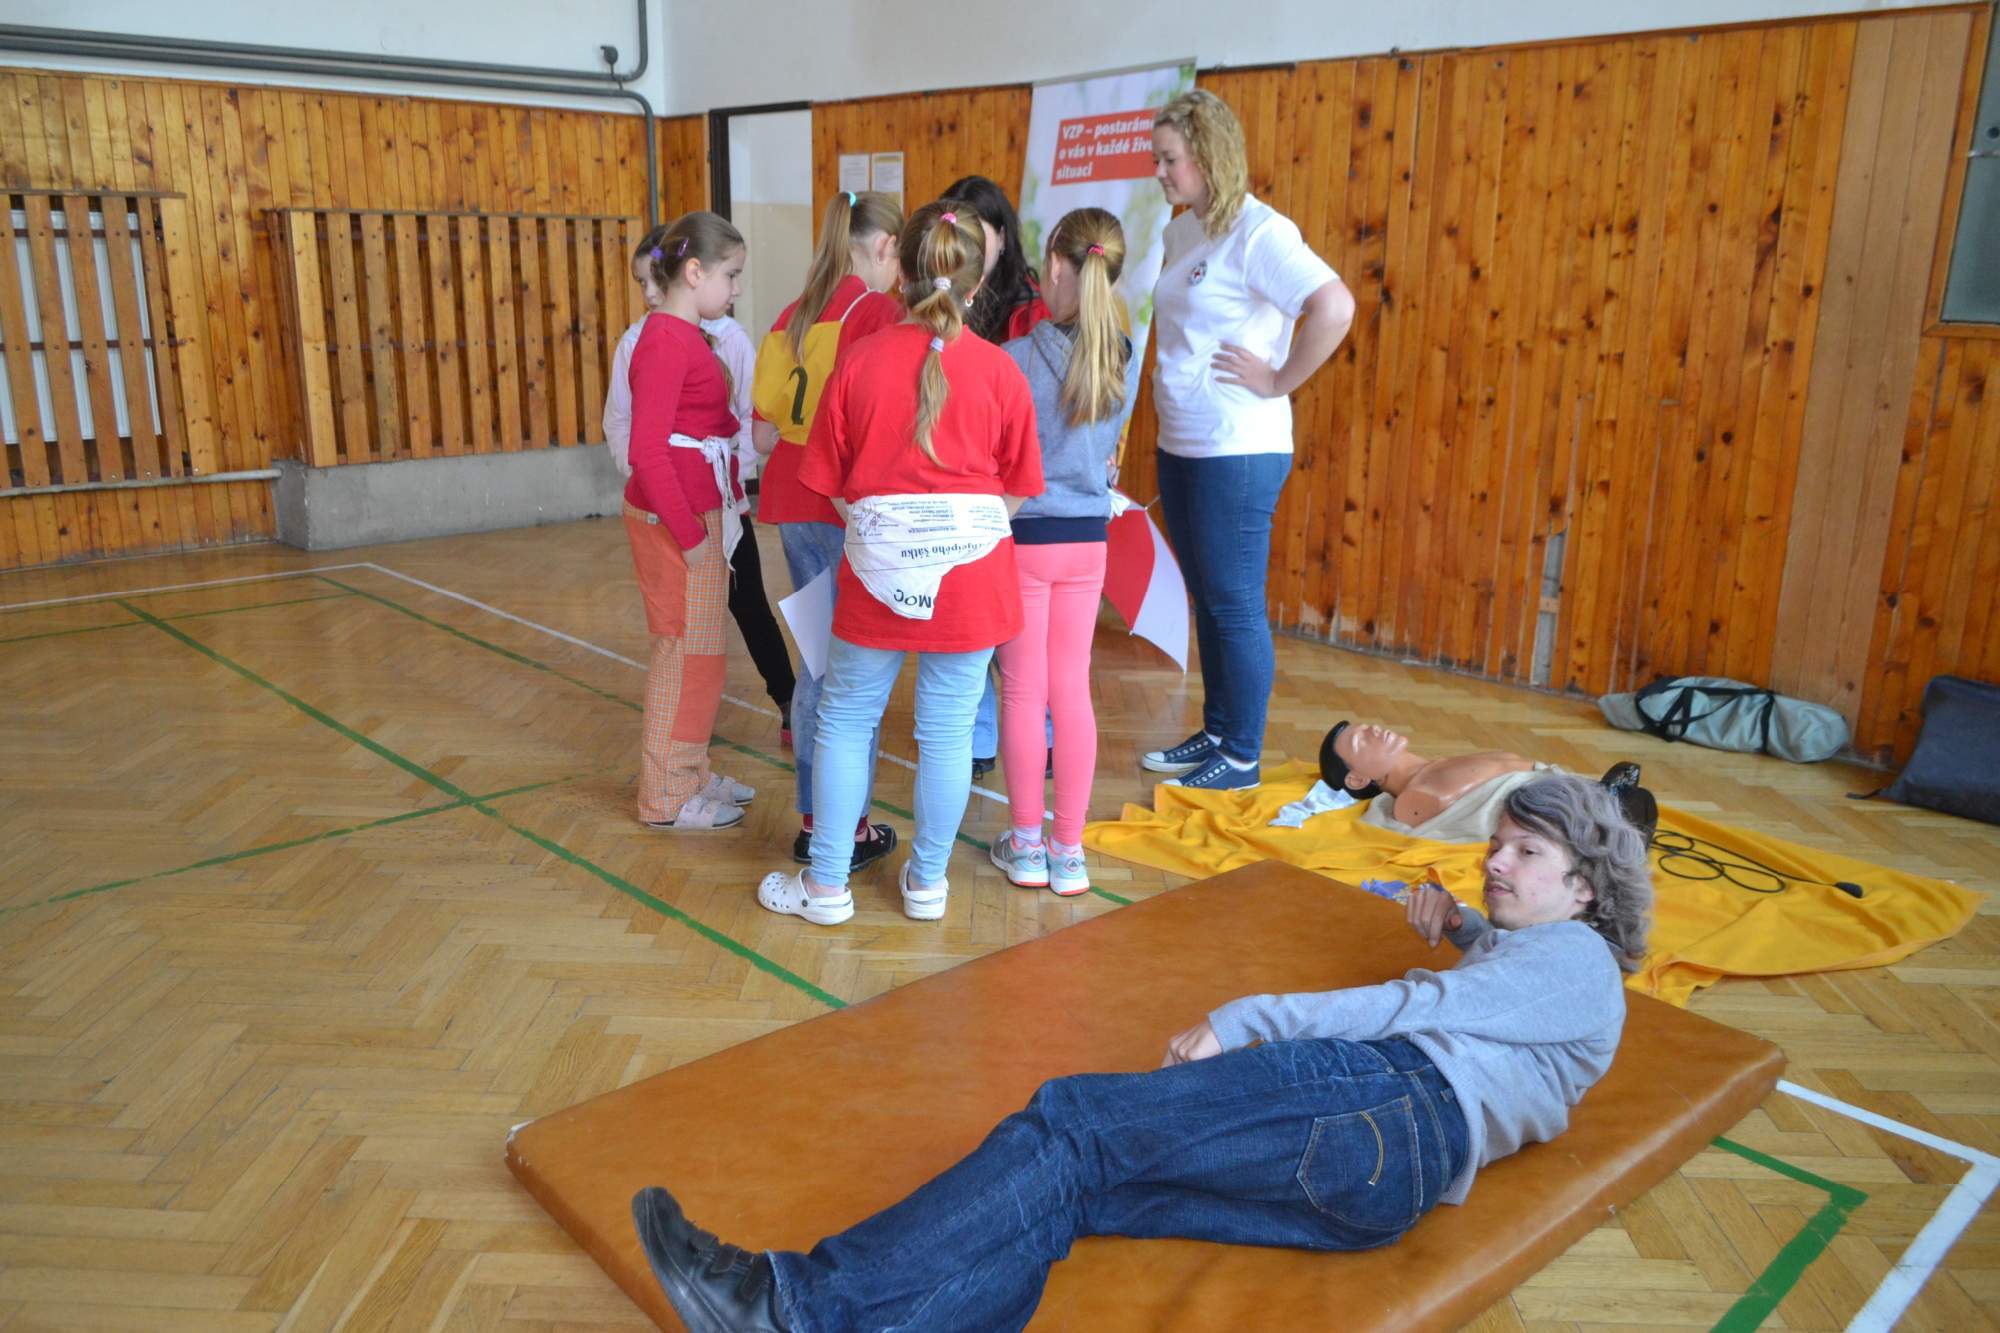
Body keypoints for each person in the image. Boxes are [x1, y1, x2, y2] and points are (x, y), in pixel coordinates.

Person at [632, 773, 1654, 1331]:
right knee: (1067, 1198)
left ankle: (792, 1307)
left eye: (1527, 852)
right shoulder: (1553, 966)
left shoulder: (1577, 961)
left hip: (1381, 1104)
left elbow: (1412, 1006)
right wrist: (1468, 926)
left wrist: (1245, 1018)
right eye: (1497, 842)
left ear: (1585, 890)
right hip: (1377, 1183)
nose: (1494, 860)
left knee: (1071, 1128)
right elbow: (1494, 994)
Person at [755, 200, 1043, 927]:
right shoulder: (1001, 371)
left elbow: (826, 478)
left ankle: (827, 887)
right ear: (978, 282)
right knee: (947, 733)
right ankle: (927, 884)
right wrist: (961, 537)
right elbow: (1018, 487)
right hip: (972, 582)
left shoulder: (860, 361)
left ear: (902, 272)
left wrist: (884, 531)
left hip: (877, 575)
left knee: (847, 719)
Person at [1137, 89, 1357, 791]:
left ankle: (1242, 755)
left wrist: (1280, 378)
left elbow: (1334, 305)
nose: (1159, 172)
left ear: (1207, 156)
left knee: (1234, 603)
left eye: (1169, 159)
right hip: (1183, 443)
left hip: (1238, 447)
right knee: (1207, 598)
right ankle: (1218, 730)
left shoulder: (1260, 232)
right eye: (1156, 159)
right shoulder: (1182, 234)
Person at [751, 190, 907, 874]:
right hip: (841, 504)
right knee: (852, 677)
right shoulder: (875, 312)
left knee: (819, 662)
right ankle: (847, 825)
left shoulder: (794, 312)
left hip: (791, 498)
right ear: (884, 247)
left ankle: (818, 819)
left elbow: (762, 433)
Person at [987, 208, 1142, 898]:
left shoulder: (1014, 359)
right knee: (1071, 690)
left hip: (1025, 540)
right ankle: (1069, 853)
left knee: (1023, 691)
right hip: (1088, 542)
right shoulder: (1123, 358)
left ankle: (1026, 846)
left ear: (1054, 265)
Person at [608, 262, 798, 741]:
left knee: (742, 608)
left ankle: (786, 699)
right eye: (641, 283)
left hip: (722, 502)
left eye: (653, 279)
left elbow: (745, 416)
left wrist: (734, 478)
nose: (649, 291)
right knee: (686, 644)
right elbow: (632, 431)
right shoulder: (648, 340)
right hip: (684, 506)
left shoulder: (726, 337)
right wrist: (663, 493)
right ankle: (675, 764)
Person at [615, 213, 759, 830]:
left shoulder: (684, 334)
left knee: (703, 658)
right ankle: (666, 795)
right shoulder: (664, 340)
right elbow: (647, 452)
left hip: (699, 511)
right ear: (694, 272)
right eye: (731, 275)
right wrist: (691, 535)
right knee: (682, 656)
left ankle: (690, 771)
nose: (736, 289)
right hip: (680, 521)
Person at [941, 174, 1054, 779]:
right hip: (965, 488)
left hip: (1012, 491)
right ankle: (981, 736)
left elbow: (1033, 411)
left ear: (1002, 237)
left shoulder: (1028, 309)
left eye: (978, 229)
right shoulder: (944, 302)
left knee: (1020, 633)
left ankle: (1044, 734)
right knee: (972, 627)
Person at [1319, 720, 1659, 846]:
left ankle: (1604, 809)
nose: (1374, 730)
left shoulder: (1436, 766)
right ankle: (1601, 818)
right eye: (1361, 740)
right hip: (1557, 808)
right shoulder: (1413, 802)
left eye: (1366, 727)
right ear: (1357, 779)